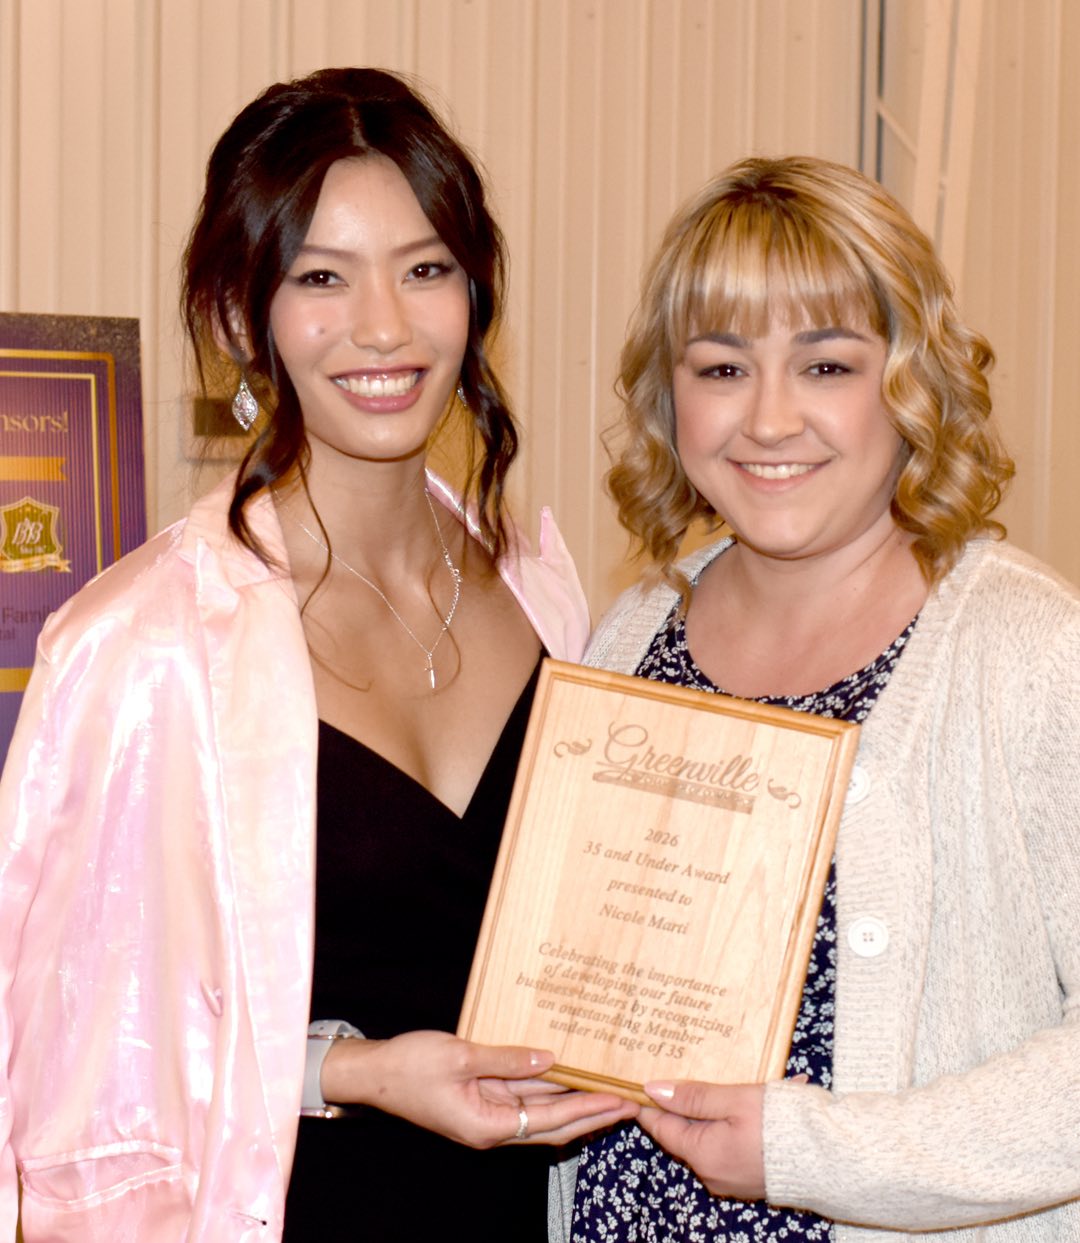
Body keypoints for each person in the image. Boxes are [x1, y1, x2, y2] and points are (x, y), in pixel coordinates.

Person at [0, 67, 636, 1242]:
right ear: (247, 318)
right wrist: (356, 1071)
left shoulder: (546, 596)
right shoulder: (144, 648)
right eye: (322, 278)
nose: (384, 325)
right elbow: (83, 1081)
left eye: (426, 267)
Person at [550, 156, 1080, 1241]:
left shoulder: (1029, 652)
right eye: (723, 367)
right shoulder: (629, 636)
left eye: (828, 365)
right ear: (671, 396)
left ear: (910, 383)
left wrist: (815, 1155)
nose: (771, 420)